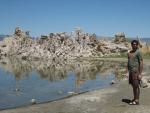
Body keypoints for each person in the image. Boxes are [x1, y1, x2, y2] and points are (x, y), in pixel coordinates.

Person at [126, 40, 143, 105]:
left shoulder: (138, 52)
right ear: (131, 45)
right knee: (133, 86)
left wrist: (140, 74)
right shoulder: (130, 52)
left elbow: (141, 63)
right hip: (131, 72)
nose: (134, 45)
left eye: (136, 44)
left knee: (136, 86)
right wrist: (127, 71)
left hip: (136, 72)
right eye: (133, 44)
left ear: (137, 45)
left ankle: (137, 100)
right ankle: (135, 98)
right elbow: (128, 62)